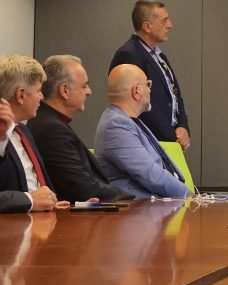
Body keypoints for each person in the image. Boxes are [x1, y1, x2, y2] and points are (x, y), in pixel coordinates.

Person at [27, 55, 133, 203]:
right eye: (84, 86)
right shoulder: (51, 130)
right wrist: (135, 199)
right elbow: (84, 189)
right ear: (64, 90)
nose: (89, 91)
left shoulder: (52, 123)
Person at [94, 64, 189, 199]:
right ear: (137, 91)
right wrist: (188, 196)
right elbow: (151, 175)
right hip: (139, 208)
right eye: (148, 84)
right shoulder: (116, 124)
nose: (150, 90)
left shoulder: (127, 120)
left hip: (156, 204)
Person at [109, 0, 190, 148]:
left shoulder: (159, 55)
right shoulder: (128, 55)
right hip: (149, 143)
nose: (170, 25)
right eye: (164, 21)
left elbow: (175, 94)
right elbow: (141, 102)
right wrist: (173, 137)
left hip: (169, 140)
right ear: (147, 26)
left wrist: (182, 126)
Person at [0, 55, 59, 212]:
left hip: (41, 219)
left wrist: (53, 202)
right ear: (21, 95)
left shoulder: (24, 131)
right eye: (39, 90)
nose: (42, 97)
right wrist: (30, 200)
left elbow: (37, 186)